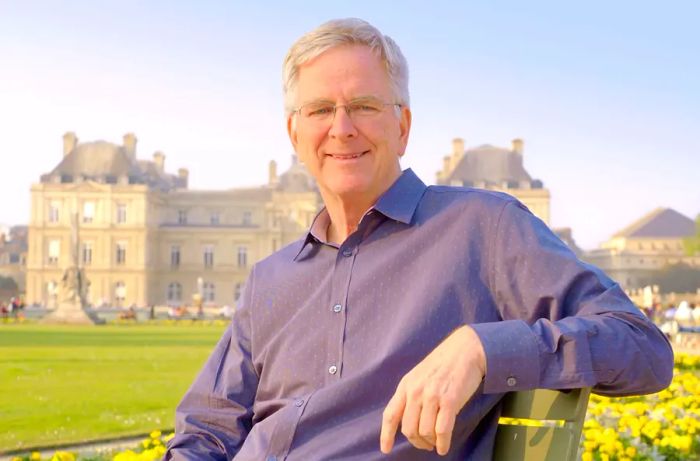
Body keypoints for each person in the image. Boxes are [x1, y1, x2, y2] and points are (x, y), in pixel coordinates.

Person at [165, 18, 673, 460]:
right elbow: (206, 429)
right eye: (320, 110)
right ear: (295, 134)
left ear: (403, 126)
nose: (341, 129)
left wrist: (482, 347)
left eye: (363, 106)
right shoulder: (270, 279)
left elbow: (642, 348)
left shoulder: (482, 227)